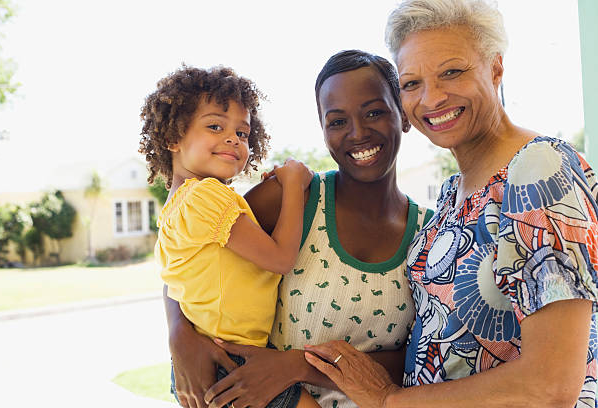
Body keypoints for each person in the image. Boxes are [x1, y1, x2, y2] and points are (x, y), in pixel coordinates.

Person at [304, 1, 598, 407]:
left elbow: (550, 386)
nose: (432, 98)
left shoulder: (537, 169)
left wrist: (388, 400)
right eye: (411, 84)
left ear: (495, 68)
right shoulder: (450, 195)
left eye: (452, 72)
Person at [164, 50, 434, 408]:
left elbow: (422, 360)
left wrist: (296, 367)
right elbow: (191, 262)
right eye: (337, 121)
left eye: (374, 112)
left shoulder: (432, 234)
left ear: (403, 115)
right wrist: (180, 337)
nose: (357, 132)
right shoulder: (291, 198)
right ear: (322, 129)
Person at [138, 64, 319, 408]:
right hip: (230, 361)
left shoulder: (174, 209)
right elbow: (281, 259)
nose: (233, 139)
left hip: (206, 356)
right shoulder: (206, 196)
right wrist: (294, 183)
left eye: (243, 132)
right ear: (173, 137)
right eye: (215, 126)